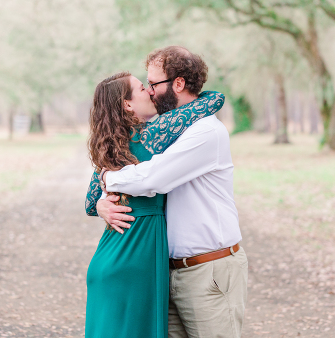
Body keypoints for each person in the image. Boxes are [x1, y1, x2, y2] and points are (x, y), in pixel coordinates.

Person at [97, 46, 248, 338]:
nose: (150, 91)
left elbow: (153, 178)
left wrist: (107, 179)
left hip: (209, 271)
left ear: (178, 83)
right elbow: (127, 161)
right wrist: (104, 201)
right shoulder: (165, 129)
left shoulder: (205, 132)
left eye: (153, 84)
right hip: (167, 273)